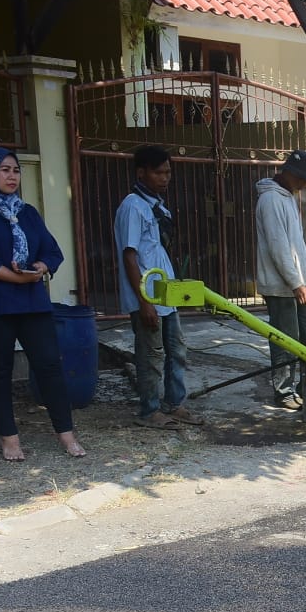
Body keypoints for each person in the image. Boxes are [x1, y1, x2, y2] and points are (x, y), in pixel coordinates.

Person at [0, 147, 85, 462]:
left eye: (15, 170)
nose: (12, 176)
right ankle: (9, 439)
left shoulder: (26, 212)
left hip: (31, 301)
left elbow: (52, 251)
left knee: (50, 365)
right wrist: (16, 279)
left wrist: (40, 267)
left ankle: (66, 434)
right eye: (4, 170)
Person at [116, 144, 202, 429]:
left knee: (176, 350)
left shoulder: (156, 205)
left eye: (168, 172)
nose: (165, 178)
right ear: (141, 173)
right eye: (158, 172)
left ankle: (173, 403)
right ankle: (149, 410)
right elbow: (130, 255)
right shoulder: (132, 206)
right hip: (148, 297)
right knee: (151, 355)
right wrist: (144, 301)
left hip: (166, 294)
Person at [255, 150, 306, 411]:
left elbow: (297, 241)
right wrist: (296, 283)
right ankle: (284, 391)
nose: (305, 185)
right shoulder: (270, 200)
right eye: (303, 179)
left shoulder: (288, 198)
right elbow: (278, 247)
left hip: (297, 282)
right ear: (290, 174)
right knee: (286, 340)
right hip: (281, 286)